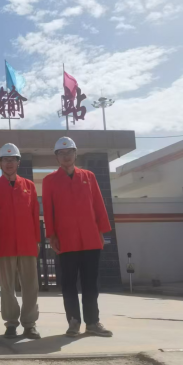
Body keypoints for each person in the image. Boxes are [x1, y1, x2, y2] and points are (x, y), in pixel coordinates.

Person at [42, 137, 113, 337]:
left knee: (91, 283)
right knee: (68, 283)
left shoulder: (88, 176)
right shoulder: (49, 181)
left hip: (90, 237)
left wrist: (101, 232)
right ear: (56, 157)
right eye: (61, 153)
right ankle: (73, 322)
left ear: (75, 153)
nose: (66, 156)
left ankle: (93, 322)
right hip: (66, 239)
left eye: (69, 152)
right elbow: (48, 209)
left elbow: (98, 204)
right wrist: (52, 235)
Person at [0, 143, 41, 339]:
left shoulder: (29, 186)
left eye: (13, 160)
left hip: (27, 243)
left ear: (18, 163)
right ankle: (10, 323)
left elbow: (34, 215)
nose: (9, 163)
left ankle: (30, 324)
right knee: (7, 287)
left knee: (30, 286)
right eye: (5, 160)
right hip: (3, 244)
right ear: (0, 163)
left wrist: (36, 240)